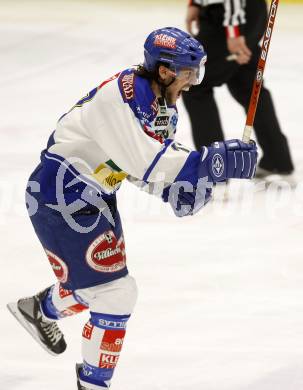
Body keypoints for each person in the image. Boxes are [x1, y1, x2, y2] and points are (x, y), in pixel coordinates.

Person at [7, 27, 257, 390]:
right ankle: (93, 384)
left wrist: (177, 192)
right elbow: (150, 163)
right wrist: (214, 162)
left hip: (91, 197)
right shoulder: (122, 98)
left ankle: (37, 309)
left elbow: (138, 167)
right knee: (114, 293)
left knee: (100, 283)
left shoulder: (162, 106)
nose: (193, 82)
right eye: (189, 73)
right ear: (166, 70)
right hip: (60, 197)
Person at [184, 0, 294, 179]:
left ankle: (214, 168)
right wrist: (196, 3)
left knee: (195, 84)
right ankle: (277, 159)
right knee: (245, 83)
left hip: (229, 16)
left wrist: (233, 29)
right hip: (243, 13)